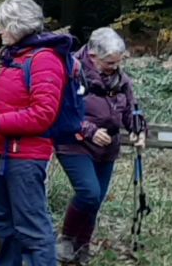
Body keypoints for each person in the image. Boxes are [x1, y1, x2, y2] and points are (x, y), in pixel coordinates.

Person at [0, 0, 75, 266]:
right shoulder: (17, 56)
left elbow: (43, 114)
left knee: (32, 228)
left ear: (17, 25)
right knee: (3, 223)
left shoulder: (44, 60)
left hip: (25, 157)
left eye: (3, 25)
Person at [55, 27, 146, 264]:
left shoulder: (121, 79)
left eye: (118, 61)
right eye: (109, 62)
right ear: (93, 56)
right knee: (89, 193)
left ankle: (82, 246)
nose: (115, 66)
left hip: (108, 147)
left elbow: (131, 108)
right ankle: (66, 238)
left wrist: (138, 129)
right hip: (73, 143)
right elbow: (62, 110)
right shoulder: (71, 71)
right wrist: (90, 131)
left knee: (97, 199)